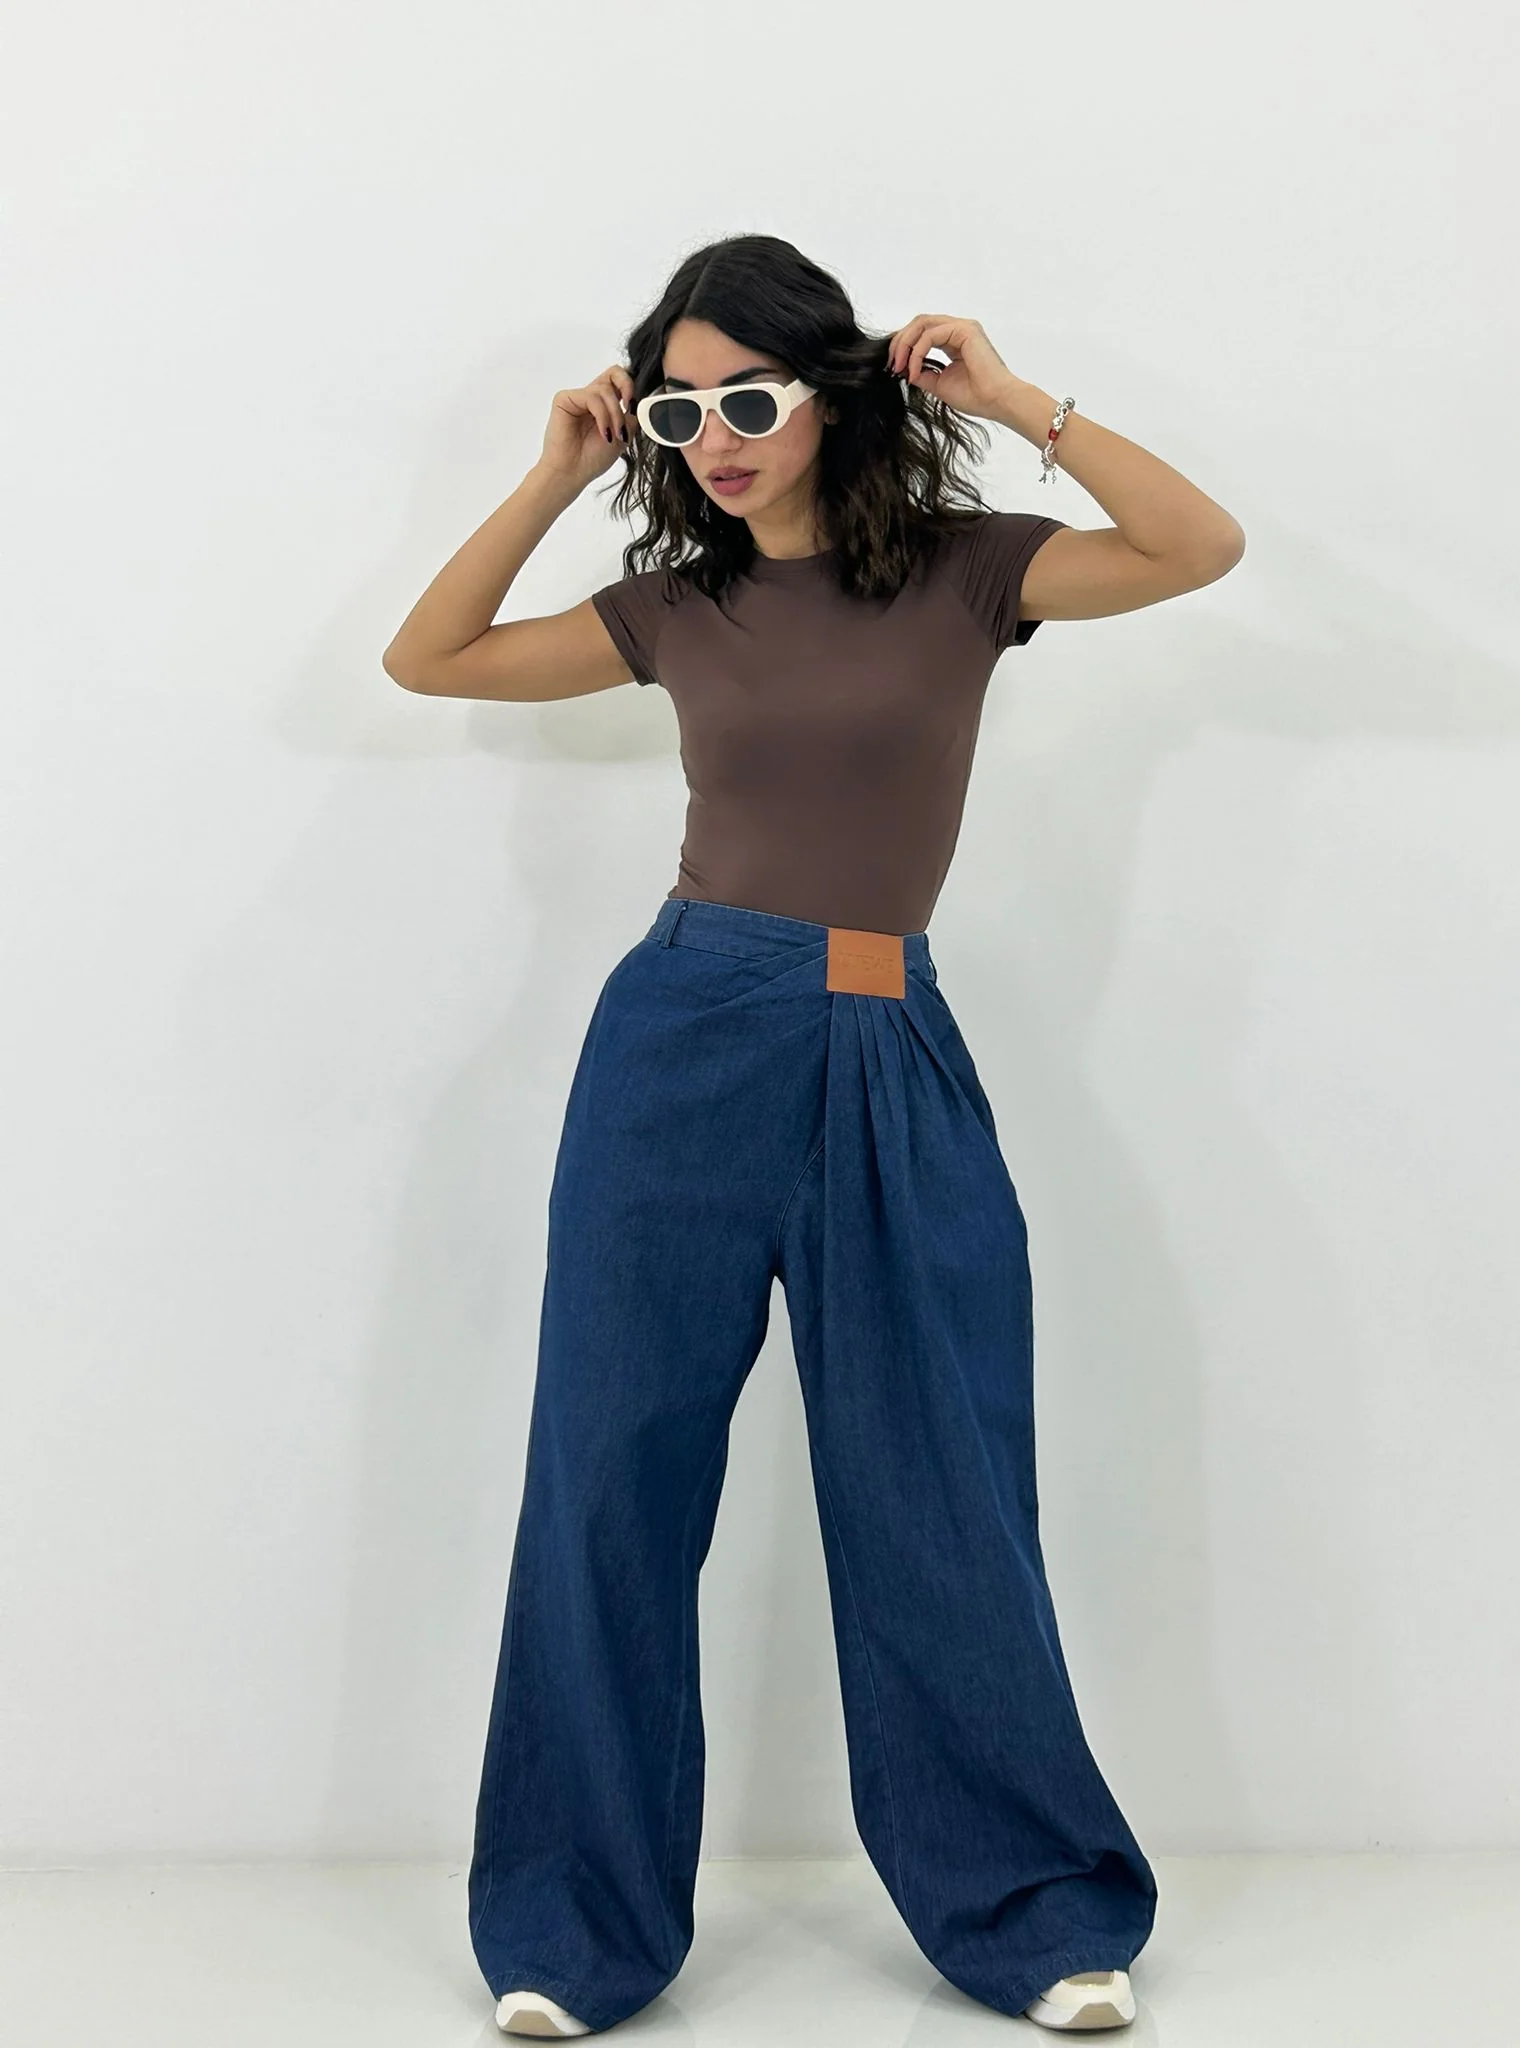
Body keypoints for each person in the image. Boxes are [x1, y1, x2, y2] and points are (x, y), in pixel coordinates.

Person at [383, 233, 1245, 2039]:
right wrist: (555, 471)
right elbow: (429, 657)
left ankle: (1028, 1910)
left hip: (887, 1037)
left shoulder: (969, 570)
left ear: (833, 394)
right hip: (682, 1040)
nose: (713, 437)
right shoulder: (671, 607)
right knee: (611, 1478)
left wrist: (1012, 399)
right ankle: (569, 1928)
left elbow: (1197, 546)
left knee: (942, 1480)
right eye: (678, 411)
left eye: (747, 398)